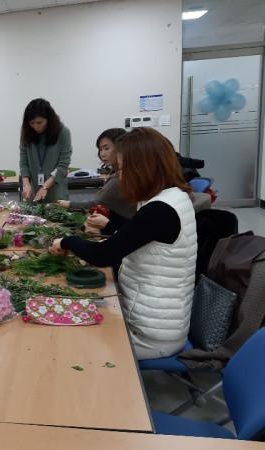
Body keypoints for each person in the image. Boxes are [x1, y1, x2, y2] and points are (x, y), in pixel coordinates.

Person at [51, 128, 197, 360]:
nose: (120, 177)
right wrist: (110, 226)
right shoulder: (172, 197)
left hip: (150, 335)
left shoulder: (160, 209)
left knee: (67, 348)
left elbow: (103, 255)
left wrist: (67, 241)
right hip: (153, 320)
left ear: (143, 168)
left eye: (122, 169)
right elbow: (141, 236)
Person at [58, 128, 135, 234]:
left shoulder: (119, 179)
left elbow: (96, 203)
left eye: (106, 148)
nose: (102, 154)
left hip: (123, 230)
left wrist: (67, 204)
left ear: (121, 149)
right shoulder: (118, 173)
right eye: (100, 149)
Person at [19, 98, 72, 203]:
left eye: (39, 122)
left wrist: (45, 186)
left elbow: (63, 165)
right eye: (32, 123)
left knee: (55, 211)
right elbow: (24, 162)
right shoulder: (27, 132)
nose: (36, 126)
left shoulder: (63, 133)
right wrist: (26, 184)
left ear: (49, 119)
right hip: (33, 193)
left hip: (56, 193)